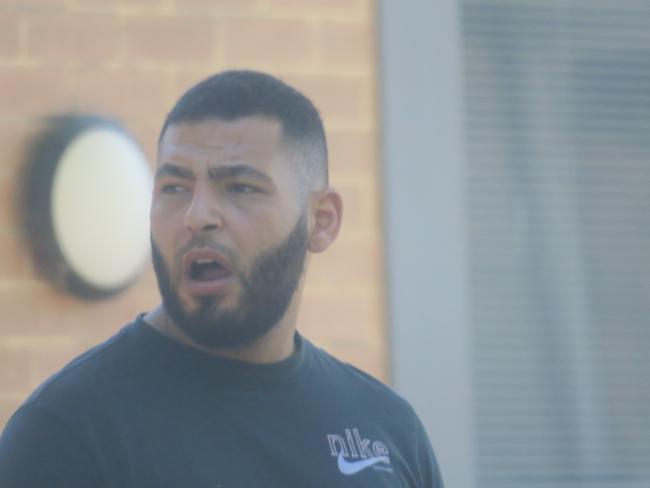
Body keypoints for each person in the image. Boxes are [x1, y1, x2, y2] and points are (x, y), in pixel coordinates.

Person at [0, 70, 444, 487]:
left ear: (321, 220)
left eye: (239, 188)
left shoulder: (386, 431)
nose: (198, 217)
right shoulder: (66, 433)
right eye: (174, 188)